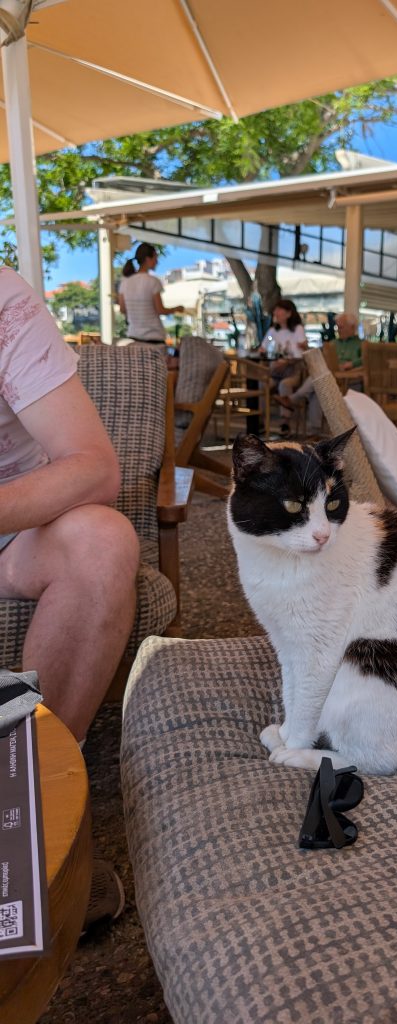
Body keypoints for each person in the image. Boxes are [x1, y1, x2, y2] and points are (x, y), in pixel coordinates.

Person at [0, 267, 139, 929]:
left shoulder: (2, 300)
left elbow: (94, 465)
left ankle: (28, 831)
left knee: (102, 544)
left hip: (9, 527)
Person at [277, 311, 362, 434]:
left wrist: (351, 364)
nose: (338, 330)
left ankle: (293, 400)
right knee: (319, 387)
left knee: (319, 381)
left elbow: (366, 361)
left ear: (352, 327)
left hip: (348, 382)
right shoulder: (333, 344)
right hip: (330, 379)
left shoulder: (361, 344)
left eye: (341, 327)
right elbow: (318, 356)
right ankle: (314, 432)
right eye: (337, 327)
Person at [118, 242, 184, 344]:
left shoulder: (125, 282)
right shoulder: (153, 281)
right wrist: (177, 308)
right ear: (148, 259)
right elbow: (160, 310)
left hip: (134, 336)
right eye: (155, 258)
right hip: (154, 337)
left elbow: (122, 309)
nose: (157, 262)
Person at [259, 299, 308, 436]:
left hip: (292, 370)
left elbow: (301, 353)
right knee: (262, 384)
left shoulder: (297, 329)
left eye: (279, 310)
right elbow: (262, 349)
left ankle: (285, 424)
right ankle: (260, 421)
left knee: (284, 385)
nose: (275, 313)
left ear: (288, 313)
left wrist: (287, 360)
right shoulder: (273, 330)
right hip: (275, 371)